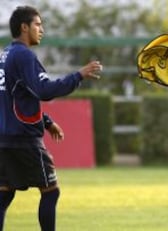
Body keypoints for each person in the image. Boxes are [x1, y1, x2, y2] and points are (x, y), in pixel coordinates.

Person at [0, 5, 102, 231]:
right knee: (50, 191)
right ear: (24, 27)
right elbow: (44, 90)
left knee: (4, 194)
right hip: (24, 140)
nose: (41, 29)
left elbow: (15, 97)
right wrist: (78, 75)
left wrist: (46, 121)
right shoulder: (24, 55)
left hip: (3, 139)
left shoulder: (4, 55)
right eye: (37, 24)